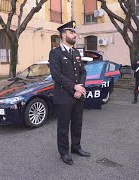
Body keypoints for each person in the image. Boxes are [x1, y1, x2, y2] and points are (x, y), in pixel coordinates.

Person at [48, 21, 90, 165]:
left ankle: (76, 147)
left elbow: (83, 72)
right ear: (63, 34)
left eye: (75, 32)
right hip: (64, 96)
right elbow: (56, 75)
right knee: (64, 126)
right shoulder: (55, 53)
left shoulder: (76, 52)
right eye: (72, 32)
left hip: (78, 95)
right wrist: (74, 88)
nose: (75, 35)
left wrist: (81, 88)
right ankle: (64, 152)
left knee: (77, 124)